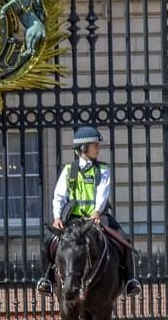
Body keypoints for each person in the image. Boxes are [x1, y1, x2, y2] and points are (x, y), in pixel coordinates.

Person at [38, 126, 141, 298]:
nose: (98, 149)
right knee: (48, 241)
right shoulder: (69, 170)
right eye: (95, 145)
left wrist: (97, 212)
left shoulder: (102, 169)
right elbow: (59, 195)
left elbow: (103, 192)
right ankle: (47, 279)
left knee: (123, 239)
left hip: (97, 217)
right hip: (73, 218)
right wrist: (57, 217)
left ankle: (130, 280)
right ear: (83, 147)